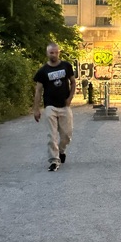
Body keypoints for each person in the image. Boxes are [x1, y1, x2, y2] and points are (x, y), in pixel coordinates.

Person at [33, 42, 76, 172]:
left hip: (64, 105)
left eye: (56, 52)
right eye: (51, 52)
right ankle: (54, 160)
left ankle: (61, 151)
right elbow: (38, 90)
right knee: (51, 136)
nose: (54, 55)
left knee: (67, 134)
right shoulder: (43, 71)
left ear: (59, 53)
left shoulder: (66, 66)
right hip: (50, 106)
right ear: (47, 53)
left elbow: (73, 82)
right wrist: (36, 109)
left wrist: (70, 98)